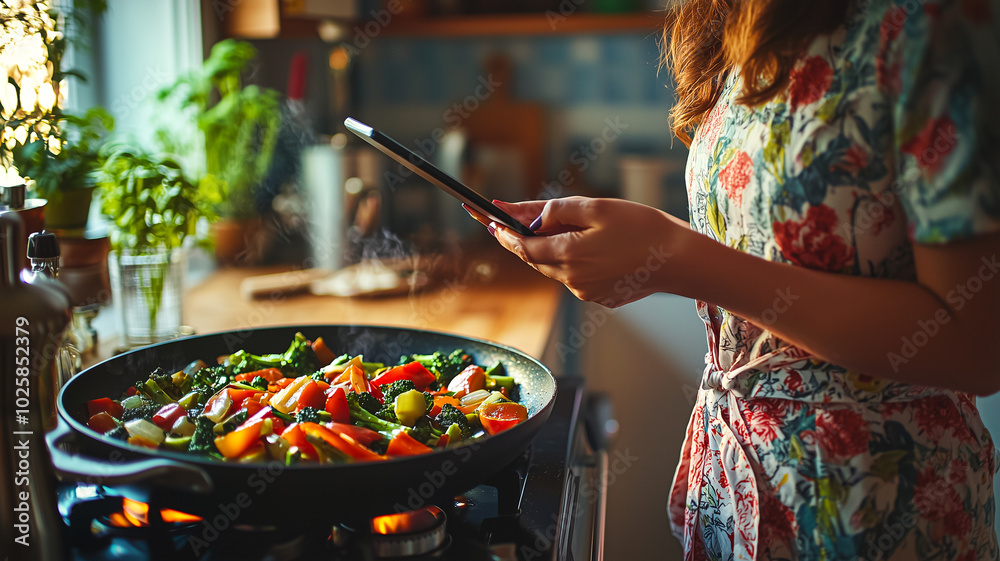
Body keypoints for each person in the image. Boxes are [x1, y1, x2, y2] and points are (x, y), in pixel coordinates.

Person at [466, 0, 1000, 558]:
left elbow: (976, 343)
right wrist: (650, 247)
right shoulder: (748, 15)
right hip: (735, 482)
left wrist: (676, 259)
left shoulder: (935, 20)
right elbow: (760, 248)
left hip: (874, 500)